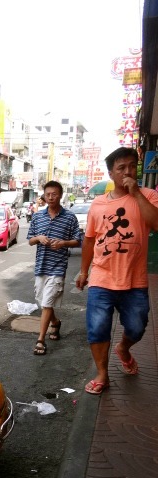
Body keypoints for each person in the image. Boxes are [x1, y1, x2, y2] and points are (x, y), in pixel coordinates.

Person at [76, 146, 158, 395]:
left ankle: (123, 348)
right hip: (101, 277)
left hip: (134, 280)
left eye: (132, 166)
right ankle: (102, 374)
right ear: (111, 173)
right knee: (97, 327)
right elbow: (90, 239)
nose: (127, 171)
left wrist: (136, 193)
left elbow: (155, 223)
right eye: (121, 168)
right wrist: (83, 271)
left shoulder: (149, 195)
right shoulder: (98, 204)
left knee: (137, 326)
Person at [27, 180, 81, 355]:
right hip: (41, 266)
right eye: (47, 194)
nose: (50, 197)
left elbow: (78, 240)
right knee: (43, 302)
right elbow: (30, 240)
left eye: (54, 194)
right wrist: (39, 238)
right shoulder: (37, 217)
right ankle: (55, 323)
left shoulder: (69, 217)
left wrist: (64, 243)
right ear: (44, 195)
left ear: (60, 195)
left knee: (47, 302)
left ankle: (40, 340)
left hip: (58, 267)